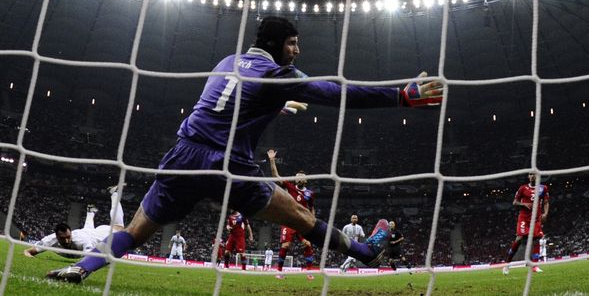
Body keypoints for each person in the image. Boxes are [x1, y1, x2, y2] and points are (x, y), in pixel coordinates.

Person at [46, 16, 443, 283]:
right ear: (276, 46)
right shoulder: (279, 74)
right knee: (302, 216)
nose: (297, 51)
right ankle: (364, 253)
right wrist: (400, 97)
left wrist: (274, 103)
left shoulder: (227, 60)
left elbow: (229, 98)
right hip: (227, 166)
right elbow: (335, 92)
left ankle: (81, 269)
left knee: (134, 231)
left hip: (183, 157)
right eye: (292, 43)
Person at [24, 186, 125, 259]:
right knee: (87, 230)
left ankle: (114, 194)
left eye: (68, 237)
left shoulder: (81, 241)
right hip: (86, 232)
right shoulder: (50, 240)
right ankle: (90, 212)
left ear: (70, 233)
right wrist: (27, 254)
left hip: (98, 235)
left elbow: (89, 259)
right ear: (57, 236)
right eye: (63, 238)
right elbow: (29, 251)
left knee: (118, 227)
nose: (67, 241)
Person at [267, 148, 316, 279]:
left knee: (307, 244)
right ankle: (279, 272)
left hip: (302, 222)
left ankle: (309, 272)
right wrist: (272, 160)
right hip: (289, 220)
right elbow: (276, 176)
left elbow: (311, 209)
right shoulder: (290, 187)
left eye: (302, 177)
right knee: (286, 245)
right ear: (295, 179)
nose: (299, 178)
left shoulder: (310, 194)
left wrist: (313, 221)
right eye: (297, 176)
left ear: (306, 180)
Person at [502, 172, 549, 275]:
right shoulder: (523, 188)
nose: (532, 176)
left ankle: (535, 266)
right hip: (524, 218)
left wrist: (545, 213)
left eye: (534, 174)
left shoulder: (543, 188)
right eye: (530, 174)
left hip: (536, 218)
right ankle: (507, 264)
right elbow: (515, 202)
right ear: (528, 176)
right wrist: (523, 204)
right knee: (519, 239)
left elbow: (546, 202)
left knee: (536, 239)